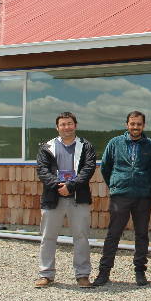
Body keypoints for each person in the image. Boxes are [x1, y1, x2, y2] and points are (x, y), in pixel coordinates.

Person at [94, 111, 151, 287]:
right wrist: (116, 184)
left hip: (143, 196)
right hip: (120, 196)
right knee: (113, 234)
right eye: (132, 124)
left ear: (143, 126)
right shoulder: (115, 143)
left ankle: (140, 271)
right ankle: (104, 272)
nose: (135, 127)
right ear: (127, 125)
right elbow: (106, 167)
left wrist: (148, 186)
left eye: (139, 124)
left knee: (141, 234)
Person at [34, 112, 97, 289]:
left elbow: (88, 168)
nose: (66, 127)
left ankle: (83, 275)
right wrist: (58, 185)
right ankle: (46, 274)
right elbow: (42, 170)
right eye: (62, 124)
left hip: (79, 197)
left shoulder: (86, 146)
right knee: (48, 236)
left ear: (75, 125)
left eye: (69, 124)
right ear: (57, 127)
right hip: (53, 197)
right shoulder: (47, 146)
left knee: (81, 237)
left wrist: (71, 186)